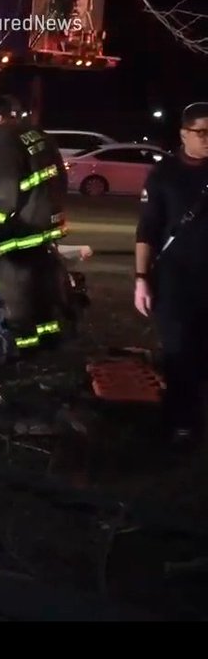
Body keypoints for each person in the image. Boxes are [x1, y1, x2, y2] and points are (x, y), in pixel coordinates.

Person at [135, 101, 208, 446]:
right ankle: (179, 423)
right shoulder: (164, 175)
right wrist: (141, 279)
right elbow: (147, 230)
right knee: (178, 353)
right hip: (175, 281)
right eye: (202, 132)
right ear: (184, 133)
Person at [0, 95, 69, 355]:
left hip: (24, 225)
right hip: (49, 221)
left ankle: (23, 344)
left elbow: (7, 193)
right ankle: (49, 336)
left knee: (15, 282)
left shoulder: (4, 139)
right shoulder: (37, 134)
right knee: (42, 280)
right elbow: (61, 176)